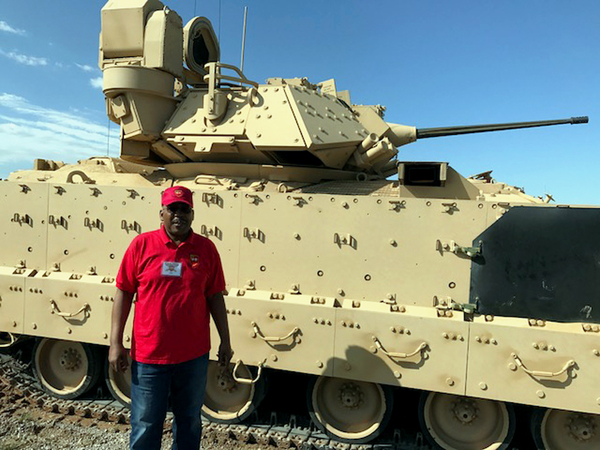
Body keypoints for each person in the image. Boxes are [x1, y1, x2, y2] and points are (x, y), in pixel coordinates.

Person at [109, 185, 232, 450]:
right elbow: (124, 291)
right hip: (149, 354)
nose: (178, 215)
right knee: (146, 423)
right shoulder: (141, 245)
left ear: (192, 214)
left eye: (184, 209)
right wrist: (115, 343)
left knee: (189, 421)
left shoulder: (206, 249)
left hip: (193, 356)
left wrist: (226, 341)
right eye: (172, 209)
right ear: (161, 213)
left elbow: (215, 297)